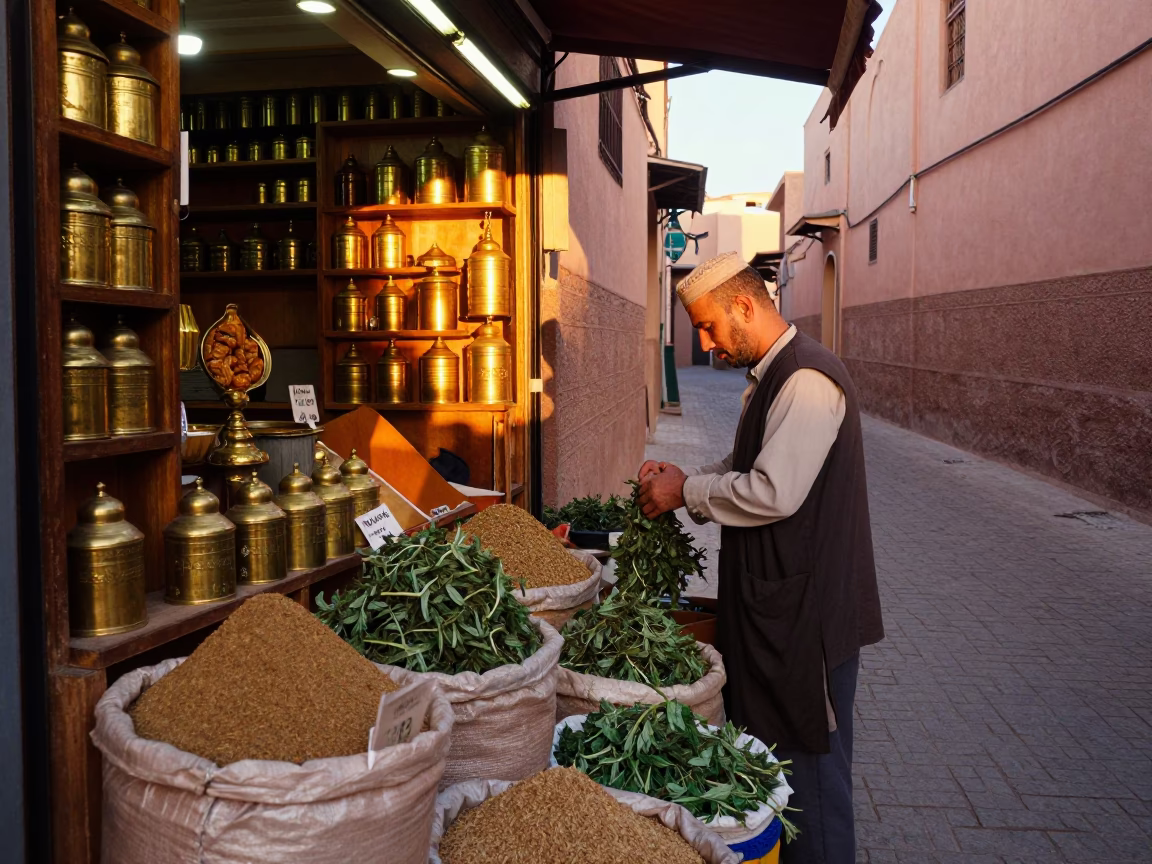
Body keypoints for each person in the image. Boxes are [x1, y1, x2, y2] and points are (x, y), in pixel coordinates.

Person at [637, 252, 884, 864]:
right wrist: (687, 478)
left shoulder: (806, 379)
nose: (706, 342)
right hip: (776, 609)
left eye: (709, 326)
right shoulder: (767, 377)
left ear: (744, 307)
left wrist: (686, 493)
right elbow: (742, 467)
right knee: (772, 766)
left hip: (809, 622)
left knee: (813, 781)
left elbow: (772, 490)